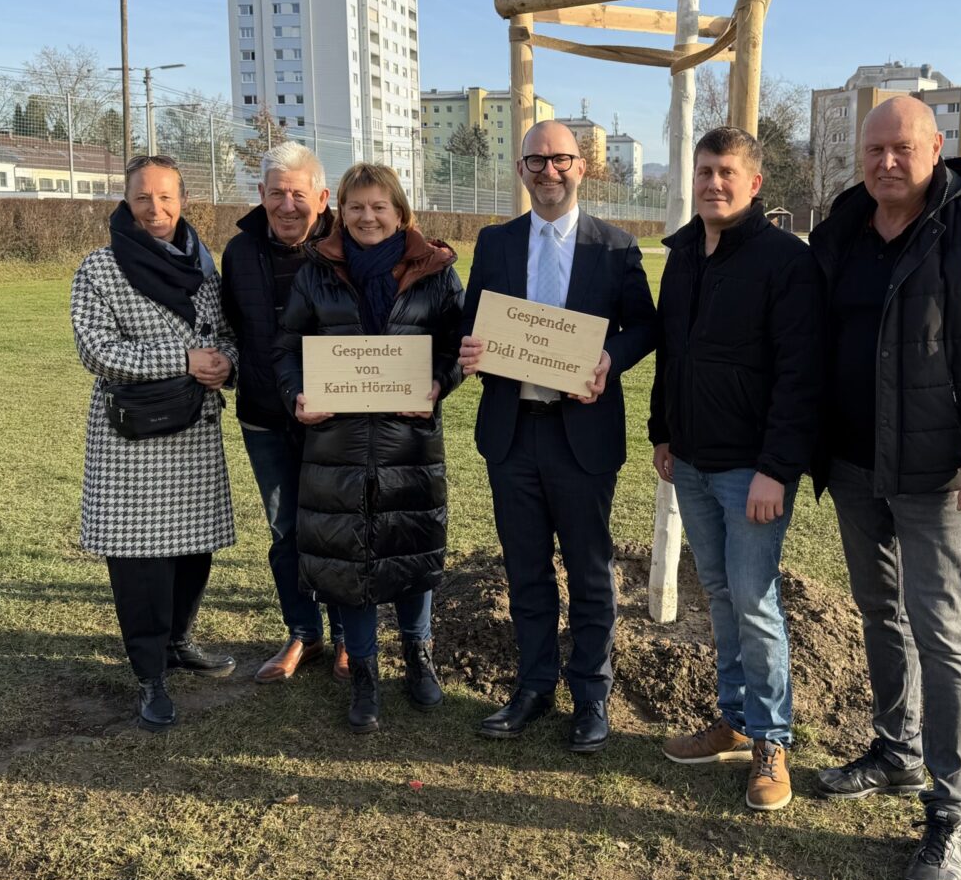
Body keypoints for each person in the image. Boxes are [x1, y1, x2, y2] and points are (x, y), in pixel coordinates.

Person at [809, 96, 961, 880]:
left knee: (944, 632)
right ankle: (895, 749)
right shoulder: (841, 227)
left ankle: (951, 809)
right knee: (881, 613)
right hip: (852, 465)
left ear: (936, 148)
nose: (883, 162)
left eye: (899, 148)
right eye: (872, 149)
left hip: (940, 473)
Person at [458, 121, 656, 754]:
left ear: (583, 167)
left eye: (561, 159)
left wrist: (608, 360)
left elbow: (645, 328)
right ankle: (534, 686)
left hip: (583, 437)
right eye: (537, 161)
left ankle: (591, 696)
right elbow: (474, 325)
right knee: (525, 570)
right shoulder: (494, 244)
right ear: (522, 169)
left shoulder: (618, 248)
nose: (549, 171)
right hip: (512, 433)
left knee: (591, 572)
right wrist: (472, 352)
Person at [649, 126, 823, 811]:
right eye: (704, 171)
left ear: (753, 184)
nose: (713, 183)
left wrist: (777, 469)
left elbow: (800, 375)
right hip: (690, 462)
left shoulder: (785, 261)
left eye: (727, 172)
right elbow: (673, 353)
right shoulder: (684, 254)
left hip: (752, 472)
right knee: (720, 596)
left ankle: (771, 741)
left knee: (755, 602)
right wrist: (663, 431)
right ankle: (732, 719)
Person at [272, 163, 464, 734]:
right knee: (348, 554)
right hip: (336, 441)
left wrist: (437, 384)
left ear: (401, 212)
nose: (366, 217)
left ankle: (417, 655)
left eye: (379, 206)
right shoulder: (317, 272)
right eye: (356, 206)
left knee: (410, 547)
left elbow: (458, 346)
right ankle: (364, 672)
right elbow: (287, 348)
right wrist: (297, 395)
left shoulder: (436, 272)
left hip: (409, 439)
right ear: (341, 212)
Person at [70, 154, 238, 731]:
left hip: (193, 432)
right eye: (143, 197)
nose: (156, 208)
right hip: (132, 437)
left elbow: (225, 337)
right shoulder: (99, 268)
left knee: (194, 549)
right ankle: (149, 674)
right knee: (141, 562)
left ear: (183, 199)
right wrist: (186, 359)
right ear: (126, 201)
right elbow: (98, 351)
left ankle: (177, 641)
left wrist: (225, 366)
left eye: (166, 197)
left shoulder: (203, 265)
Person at [221, 142, 349, 685]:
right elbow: (229, 326)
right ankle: (304, 633)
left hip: (336, 417)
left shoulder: (349, 247)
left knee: (340, 528)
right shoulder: (238, 252)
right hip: (265, 417)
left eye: (299, 193)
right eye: (278, 193)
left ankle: (348, 637)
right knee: (285, 530)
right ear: (261, 195)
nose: (288, 204)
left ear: (322, 197)